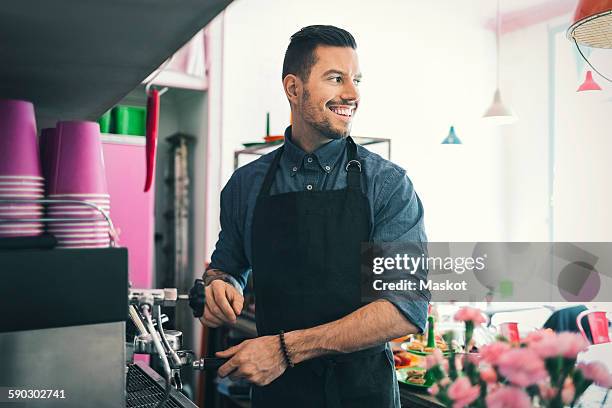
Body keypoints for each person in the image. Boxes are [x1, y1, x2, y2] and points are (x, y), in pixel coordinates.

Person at [198, 25, 429, 408]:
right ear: (293, 88)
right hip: (278, 397)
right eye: (336, 78)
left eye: (356, 80)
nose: (352, 94)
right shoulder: (245, 185)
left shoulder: (387, 185)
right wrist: (220, 287)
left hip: (363, 395)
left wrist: (286, 349)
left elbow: (405, 307)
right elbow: (226, 267)